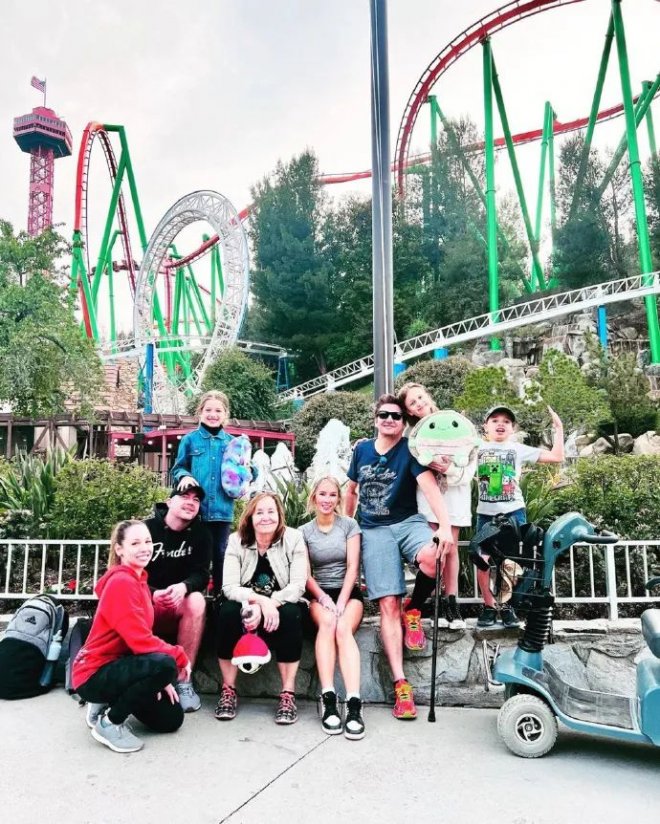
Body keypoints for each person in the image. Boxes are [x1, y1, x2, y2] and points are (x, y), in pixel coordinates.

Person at [345, 394, 453, 721]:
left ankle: (414, 607)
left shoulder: (409, 449)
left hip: (407, 522)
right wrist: (346, 527)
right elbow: (351, 490)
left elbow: (429, 486)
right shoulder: (361, 450)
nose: (389, 420)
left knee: (434, 557)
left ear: (403, 423)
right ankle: (400, 684)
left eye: (395, 416)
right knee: (388, 604)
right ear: (376, 419)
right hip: (373, 529)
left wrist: (444, 525)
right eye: (384, 415)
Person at [71, 520, 190, 754]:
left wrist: (158, 679)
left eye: (148, 541)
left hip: (119, 665)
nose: (144, 548)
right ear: (120, 549)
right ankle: (110, 723)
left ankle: (105, 703)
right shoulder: (121, 583)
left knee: (170, 719)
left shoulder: (139, 581)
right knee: (167, 663)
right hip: (93, 673)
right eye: (135, 543)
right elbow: (140, 641)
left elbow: (137, 641)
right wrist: (178, 657)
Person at [215, 492, 307, 724]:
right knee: (227, 612)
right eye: (259, 512)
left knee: (291, 614)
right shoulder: (237, 540)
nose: (266, 517)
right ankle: (228, 690)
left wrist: (271, 602)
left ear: (279, 515)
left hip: (282, 604)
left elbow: (298, 586)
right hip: (247, 604)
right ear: (250, 517)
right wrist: (259, 602)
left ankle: (287, 694)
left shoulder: (294, 538)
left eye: (271, 511)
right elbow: (229, 587)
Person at [475, 404, 564, 628]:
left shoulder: (517, 449)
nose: (500, 424)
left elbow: (557, 457)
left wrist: (559, 429)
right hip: (485, 514)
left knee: (511, 562)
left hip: (513, 512)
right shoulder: (476, 447)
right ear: (485, 426)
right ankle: (488, 606)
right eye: (495, 420)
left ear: (512, 428)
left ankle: (507, 607)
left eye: (506, 421)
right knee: (482, 560)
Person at [398, 382, 476, 630]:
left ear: (428, 396)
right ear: (409, 411)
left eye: (420, 397)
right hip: (429, 498)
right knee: (434, 550)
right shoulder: (412, 437)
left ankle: (451, 602)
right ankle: (427, 603)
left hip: (455, 495)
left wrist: (449, 468)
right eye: (412, 402)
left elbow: (469, 467)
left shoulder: (454, 423)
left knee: (451, 549)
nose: (419, 403)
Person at [300, 476, 365, 740]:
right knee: (327, 623)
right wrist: (324, 599)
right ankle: (328, 698)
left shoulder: (349, 525)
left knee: (342, 627)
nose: (327, 500)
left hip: (347, 593)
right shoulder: (304, 532)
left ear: (339, 498)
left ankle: (354, 703)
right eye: (322, 494)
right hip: (319, 593)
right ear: (314, 497)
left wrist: (341, 601)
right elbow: (306, 574)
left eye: (332, 495)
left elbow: (352, 568)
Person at [171, 390, 249, 594]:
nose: (213, 414)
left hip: (222, 512)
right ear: (200, 412)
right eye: (208, 410)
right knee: (193, 556)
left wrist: (248, 473)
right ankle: (192, 598)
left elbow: (245, 470)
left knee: (221, 556)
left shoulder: (233, 443)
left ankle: (220, 598)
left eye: (218, 411)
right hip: (195, 512)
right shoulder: (190, 440)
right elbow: (178, 468)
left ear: (225, 414)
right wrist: (184, 476)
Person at [144, 484, 211, 713]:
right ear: (169, 501)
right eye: (184, 496)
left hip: (178, 606)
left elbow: (202, 574)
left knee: (197, 601)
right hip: (147, 604)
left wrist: (185, 587)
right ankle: (141, 678)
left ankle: (184, 680)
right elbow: (128, 573)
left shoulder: (202, 534)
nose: (191, 502)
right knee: (132, 599)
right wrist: (152, 593)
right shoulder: (146, 530)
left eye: (196, 499)